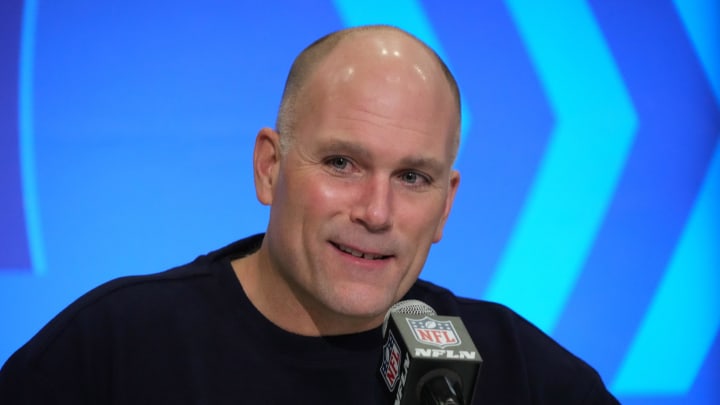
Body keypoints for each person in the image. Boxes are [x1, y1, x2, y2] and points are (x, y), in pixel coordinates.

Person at [0, 25, 619, 404]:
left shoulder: (517, 371)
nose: (377, 212)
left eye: (412, 177)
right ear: (270, 167)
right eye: (343, 163)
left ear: (445, 205)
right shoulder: (114, 349)